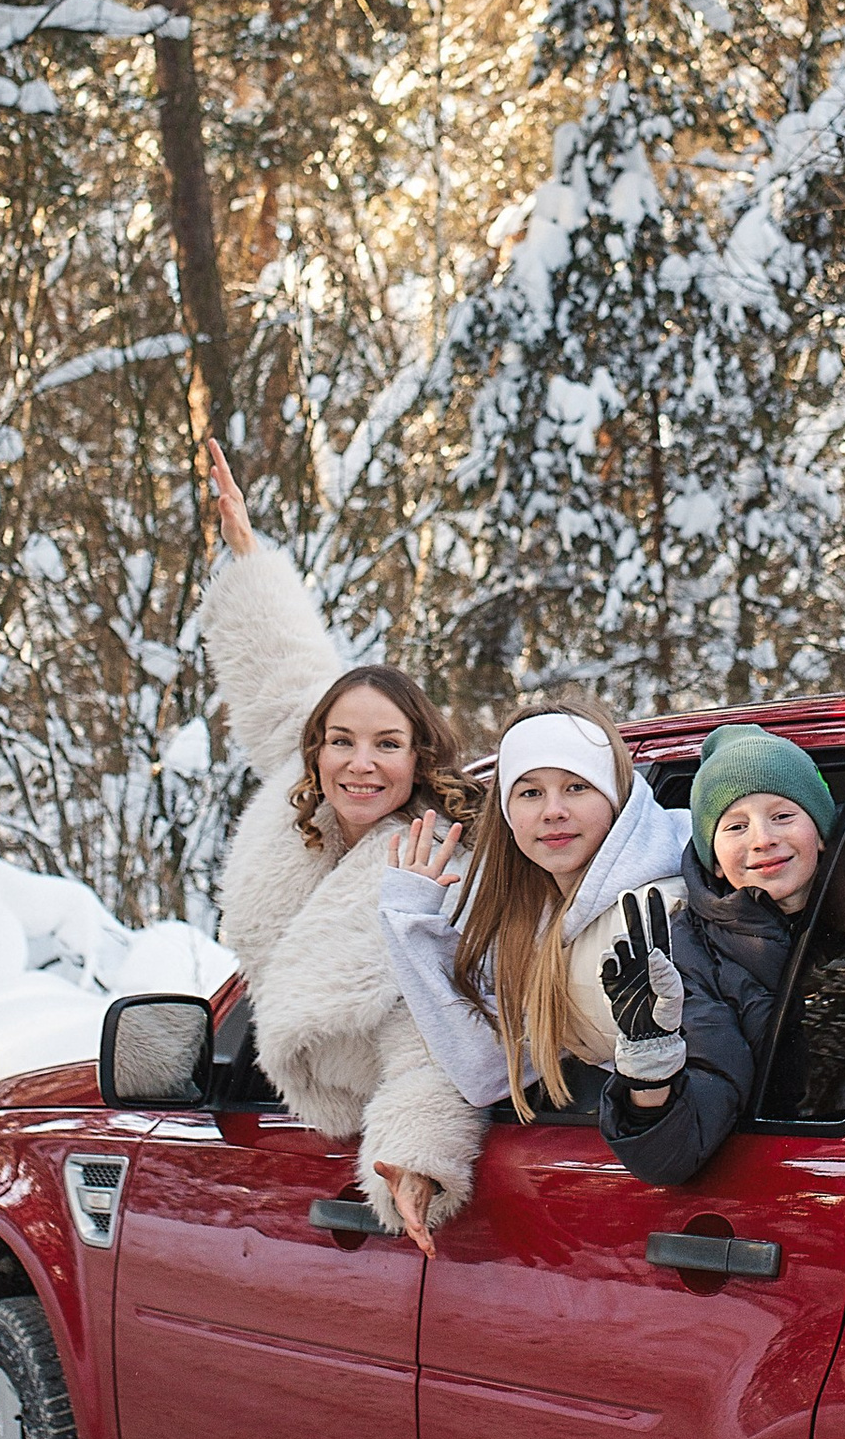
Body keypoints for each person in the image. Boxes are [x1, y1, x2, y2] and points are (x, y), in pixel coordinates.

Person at [197, 442, 492, 1244]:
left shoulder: (433, 865)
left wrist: (413, 1159)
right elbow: (284, 676)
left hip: (336, 1134)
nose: (361, 763)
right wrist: (247, 552)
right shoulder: (307, 816)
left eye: (387, 745)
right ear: (317, 751)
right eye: (341, 741)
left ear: (419, 756)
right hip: (284, 1160)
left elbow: (435, 1042)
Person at [379, 702, 689, 1139]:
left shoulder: (665, 907)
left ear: (616, 796)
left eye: (577, 787)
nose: (553, 811)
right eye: (530, 793)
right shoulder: (532, 918)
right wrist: (411, 923)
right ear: (507, 814)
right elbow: (484, 1069)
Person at [595, 725, 840, 1185]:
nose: (762, 839)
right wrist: (650, 1066)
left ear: (822, 830)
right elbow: (672, 1156)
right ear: (713, 856)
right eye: (735, 826)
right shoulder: (686, 954)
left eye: (783, 815)